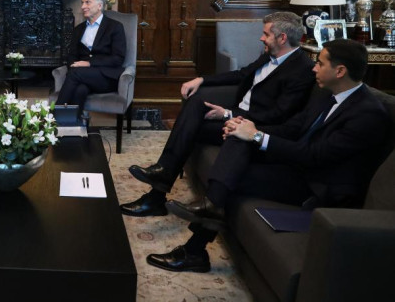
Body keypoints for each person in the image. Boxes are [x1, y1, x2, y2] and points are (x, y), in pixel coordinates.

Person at [147, 39, 390, 273]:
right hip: (296, 167)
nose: (314, 68)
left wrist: (258, 137)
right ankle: (197, 243)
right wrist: (246, 127)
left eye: (321, 63)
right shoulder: (326, 93)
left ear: (340, 71)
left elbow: (315, 156)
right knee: (238, 141)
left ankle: (195, 246)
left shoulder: (367, 114)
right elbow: (292, 128)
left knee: (228, 179)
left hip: (318, 187)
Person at [120, 12, 316, 217]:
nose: (261, 38)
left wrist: (228, 115)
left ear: (282, 38)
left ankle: (157, 195)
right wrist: (202, 80)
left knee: (192, 128)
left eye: (266, 34)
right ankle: (163, 175)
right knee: (196, 103)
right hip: (237, 115)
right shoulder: (269, 54)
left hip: (252, 125)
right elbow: (241, 74)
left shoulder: (302, 70)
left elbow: (278, 114)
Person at [56, 0, 126, 118]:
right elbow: (71, 55)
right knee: (80, 90)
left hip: (106, 77)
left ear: (100, 5)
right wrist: (74, 65)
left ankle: (54, 118)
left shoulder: (115, 27)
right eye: (82, 3)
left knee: (75, 73)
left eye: (87, 2)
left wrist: (88, 64)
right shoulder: (78, 29)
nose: (83, 6)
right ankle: (74, 127)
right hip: (82, 76)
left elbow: (118, 58)